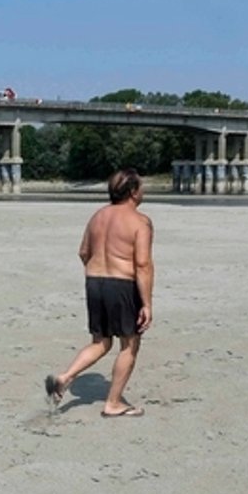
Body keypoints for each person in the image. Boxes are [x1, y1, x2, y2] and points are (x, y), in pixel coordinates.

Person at [45, 167, 153, 417]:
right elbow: (143, 265)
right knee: (130, 343)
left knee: (101, 341)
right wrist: (146, 303)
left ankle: (65, 377)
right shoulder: (140, 221)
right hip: (122, 283)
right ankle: (113, 402)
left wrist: (99, 272)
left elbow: (83, 252)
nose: (143, 191)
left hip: (94, 281)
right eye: (141, 187)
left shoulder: (97, 216)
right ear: (133, 192)